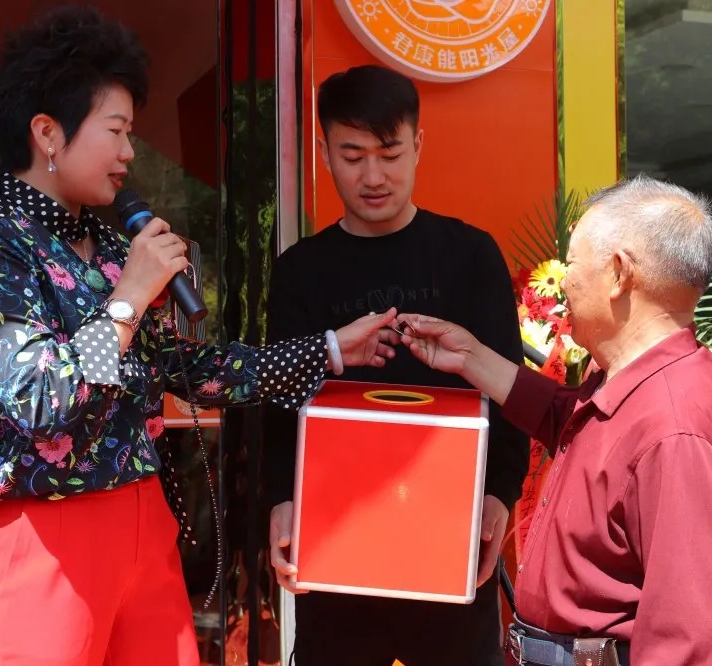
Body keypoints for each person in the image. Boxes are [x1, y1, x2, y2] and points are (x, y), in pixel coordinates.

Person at [0, 8, 400, 666]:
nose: (130, 151)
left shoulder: (107, 247)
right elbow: (39, 400)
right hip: (41, 532)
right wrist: (129, 297)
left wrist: (329, 349)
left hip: (143, 519)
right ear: (47, 133)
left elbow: (188, 370)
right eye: (116, 130)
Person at [397, 175, 712, 666]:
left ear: (618, 273)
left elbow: (690, 644)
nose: (564, 281)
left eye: (572, 263)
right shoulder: (631, 380)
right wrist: (470, 358)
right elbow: (571, 422)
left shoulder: (677, 427)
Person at [263, 64, 529, 666]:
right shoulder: (301, 270)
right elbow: (281, 399)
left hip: (449, 532)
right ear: (324, 153)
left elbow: (506, 385)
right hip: (338, 535)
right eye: (353, 156)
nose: (374, 176)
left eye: (390, 153)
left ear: (418, 145)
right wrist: (280, 497)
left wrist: (500, 492)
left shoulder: (470, 255)